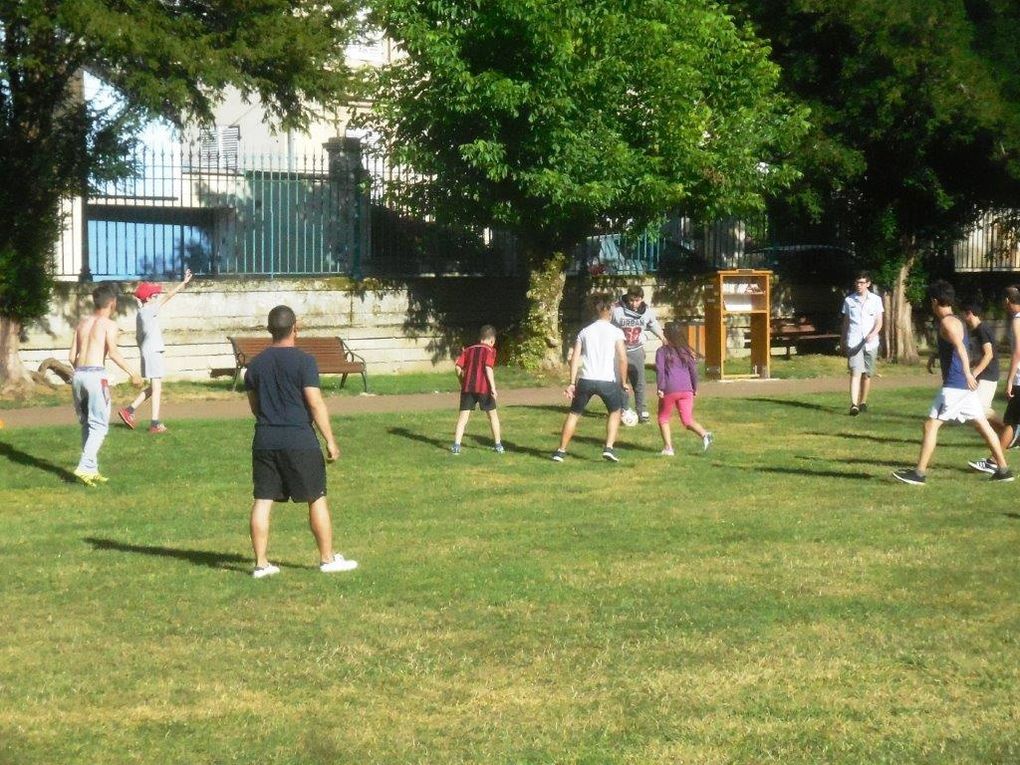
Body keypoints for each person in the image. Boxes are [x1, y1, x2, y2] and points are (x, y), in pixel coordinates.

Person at [244, 305, 358, 578]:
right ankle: (327, 559)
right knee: (316, 497)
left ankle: (261, 564)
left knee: (263, 499)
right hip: (300, 439)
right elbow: (315, 403)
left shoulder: (255, 365)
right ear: (296, 328)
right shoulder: (305, 362)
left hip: (265, 438)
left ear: (269, 330)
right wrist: (330, 439)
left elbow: (255, 406)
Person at [893, 280, 1013, 485]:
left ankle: (919, 474)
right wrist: (935, 355)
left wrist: (968, 374)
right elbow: (953, 345)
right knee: (983, 425)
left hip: (955, 386)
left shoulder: (948, 323)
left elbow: (960, 349)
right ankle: (1003, 470)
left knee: (930, 425)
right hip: (963, 388)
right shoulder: (955, 320)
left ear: (934, 301)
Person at [68, 285, 143, 486]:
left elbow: (70, 356)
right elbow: (113, 353)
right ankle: (84, 466)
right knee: (100, 425)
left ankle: (91, 470)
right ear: (112, 303)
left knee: (87, 423)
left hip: (78, 375)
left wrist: (81, 373)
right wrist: (133, 373)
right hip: (95, 375)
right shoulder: (109, 325)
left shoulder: (82, 324)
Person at [552, 294, 630, 463]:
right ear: (609, 310)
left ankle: (561, 451)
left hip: (586, 379)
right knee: (615, 413)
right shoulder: (616, 332)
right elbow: (623, 358)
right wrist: (623, 382)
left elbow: (574, 359)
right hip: (607, 381)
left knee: (574, 414)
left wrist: (572, 383)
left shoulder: (585, 331)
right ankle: (608, 447)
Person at [118, 269, 193, 433]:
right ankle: (155, 423)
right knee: (157, 387)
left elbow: (138, 337)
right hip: (153, 351)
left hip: (147, 351)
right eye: (154, 295)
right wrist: (183, 283)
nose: (157, 297)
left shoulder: (141, 313)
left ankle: (129, 411)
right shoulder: (149, 311)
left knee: (153, 387)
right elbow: (168, 296)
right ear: (149, 298)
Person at [969, 286, 1020, 473]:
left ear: (1008, 300)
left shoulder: (1017, 320)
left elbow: (1017, 352)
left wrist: (1010, 378)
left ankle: (993, 462)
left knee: (1012, 422)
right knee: (1013, 422)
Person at [655, 321, 713, 456]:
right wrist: (694, 387)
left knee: (663, 418)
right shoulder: (686, 351)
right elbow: (693, 371)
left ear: (666, 335)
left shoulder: (662, 351)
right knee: (687, 420)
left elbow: (660, 371)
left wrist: (660, 388)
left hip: (670, 388)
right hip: (687, 389)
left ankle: (668, 448)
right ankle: (705, 434)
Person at [611, 285, 665, 423]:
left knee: (639, 382)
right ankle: (624, 409)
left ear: (641, 299)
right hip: (619, 351)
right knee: (621, 382)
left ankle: (642, 410)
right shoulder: (617, 310)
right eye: (631, 300)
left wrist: (663, 338)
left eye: (637, 300)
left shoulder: (646, 311)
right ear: (627, 298)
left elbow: (653, 324)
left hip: (636, 350)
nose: (634, 304)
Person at [451, 324, 503, 455]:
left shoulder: (468, 350)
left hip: (468, 388)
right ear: (492, 340)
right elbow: (488, 368)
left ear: (480, 337)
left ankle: (456, 446)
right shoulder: (490, 351)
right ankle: (498, 445)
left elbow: (457, 367)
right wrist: (493, 388)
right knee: (493, 416)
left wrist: (462, 381)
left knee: (463, 418)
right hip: (484, 388)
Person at [841, 271, 884, 416]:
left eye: (862, 283)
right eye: (857, 283)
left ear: (868, 284)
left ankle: (863, 401)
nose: (859, 285)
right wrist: (843, 339)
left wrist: (873, 333)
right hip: (853, 341)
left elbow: (879, 321)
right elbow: (846, 322)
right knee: (855, 371)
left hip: (870, 343)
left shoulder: (876, 300)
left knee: (867, 374)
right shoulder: (849, 300)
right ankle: (854, 404)